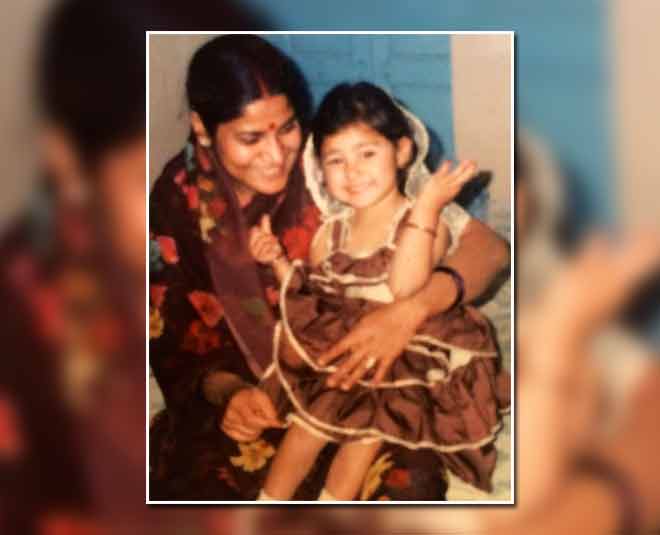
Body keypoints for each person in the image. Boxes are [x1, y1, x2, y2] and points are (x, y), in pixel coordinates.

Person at [149, 34, 510, 501]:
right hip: (265, 385)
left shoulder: (333, 163)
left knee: (401, 481)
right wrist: (228, 392)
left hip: (379, 373)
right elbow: (171, 331)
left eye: (287, 128)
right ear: (202, 127)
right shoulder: (178, 200)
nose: (276, 155)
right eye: (250, 138)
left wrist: (409, 311)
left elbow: (488, 249)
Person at [248, 82, 510, 501]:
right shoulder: (330, 233)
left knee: (365, 435)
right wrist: (277, 261)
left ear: (402, 152)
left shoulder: (427, 221)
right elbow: (313, 299)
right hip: (347, 351)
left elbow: (405, 288)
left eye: (367, 154)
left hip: (403, 356)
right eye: (336, 160)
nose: (352, 172)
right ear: (319, 169)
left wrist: (426, 207)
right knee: (306, 428)